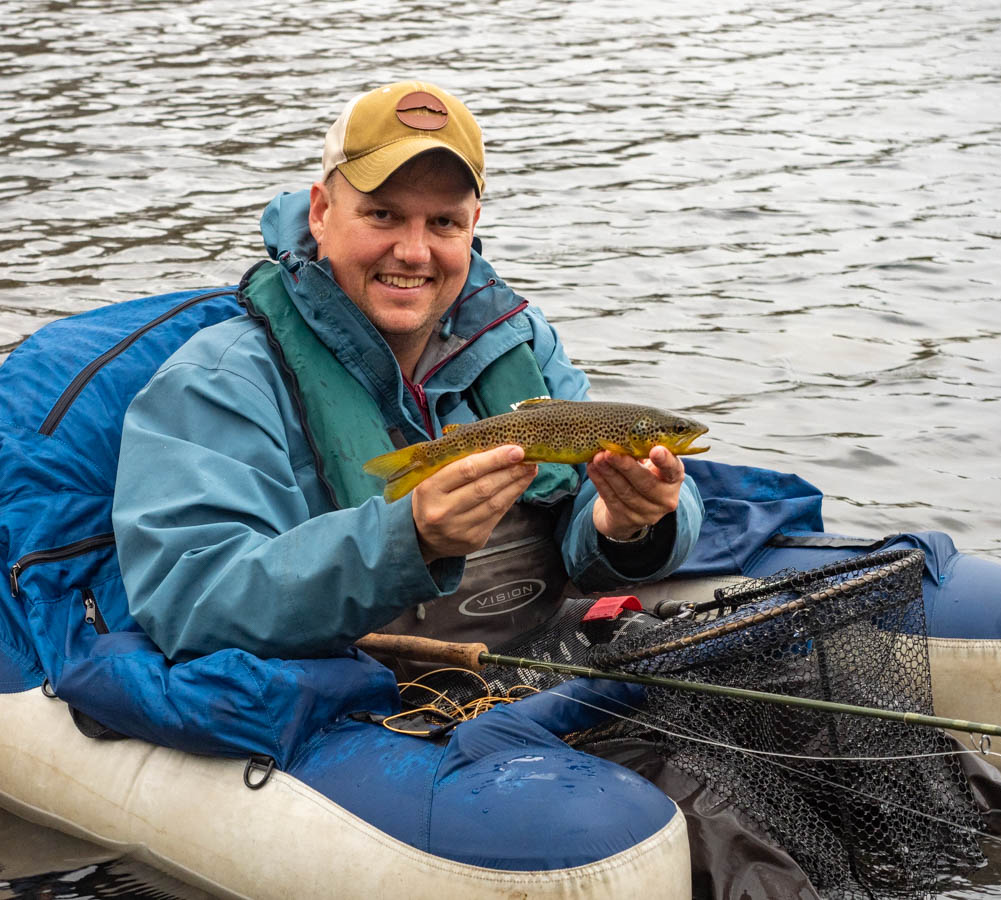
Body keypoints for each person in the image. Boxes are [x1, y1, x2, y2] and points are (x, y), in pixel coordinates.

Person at [112, 80, 703, 669]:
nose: (414, 252)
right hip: (362, 711)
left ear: (473, 225)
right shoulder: (217, 382)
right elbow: (192, 600)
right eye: (383, 214)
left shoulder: (522, 340)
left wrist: (624, 525)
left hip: (537, 667)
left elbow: (598, 517)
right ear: (320, 213)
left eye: (443, 222)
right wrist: (407, 540)